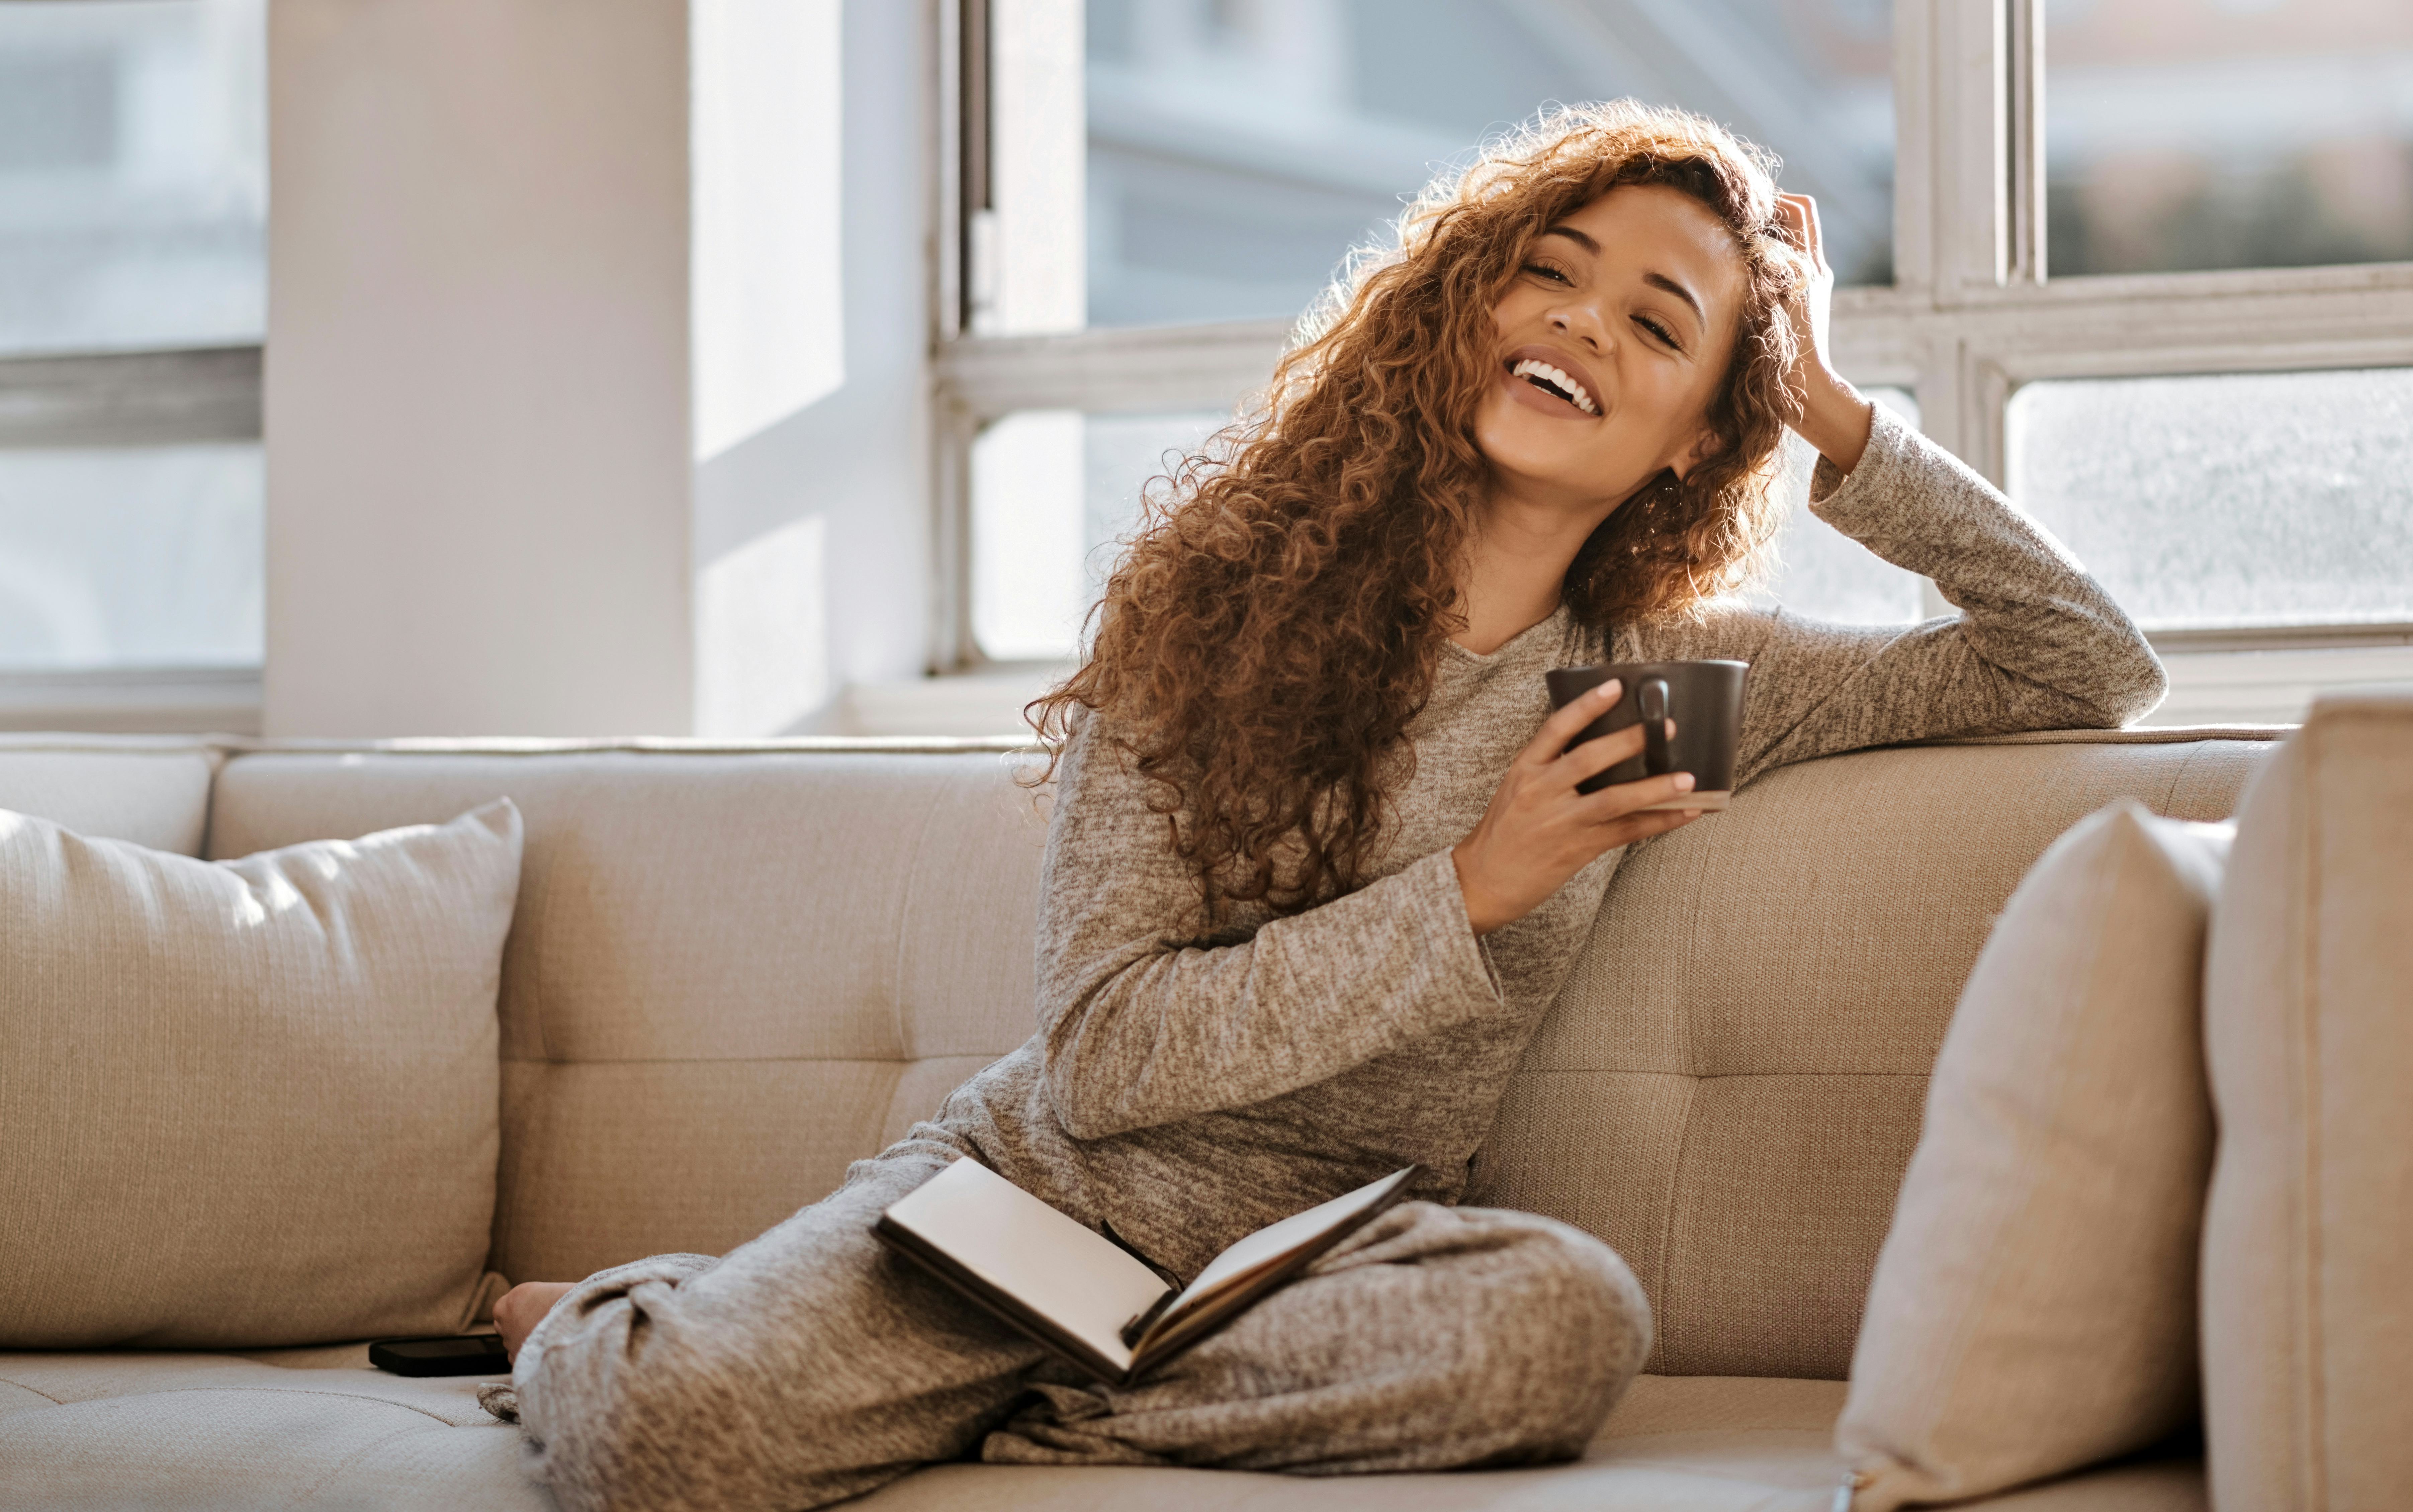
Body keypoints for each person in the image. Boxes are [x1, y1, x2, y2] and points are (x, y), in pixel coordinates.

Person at [482, 100, 2164, 1511]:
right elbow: (1106, 1057)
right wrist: (1476, 888)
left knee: (1568, 1320)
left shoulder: (1664, 685)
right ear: (1465, 309)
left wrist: (1830, 410)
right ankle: (600, 1323)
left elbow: (2082, 661)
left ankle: (1005, 1403)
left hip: (1311, 1268)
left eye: (1662, 326)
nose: (1585, 320)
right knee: (662, 1433)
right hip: (1033, 1200)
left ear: (1688, 441)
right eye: (1554, 273)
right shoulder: (1210, 610)